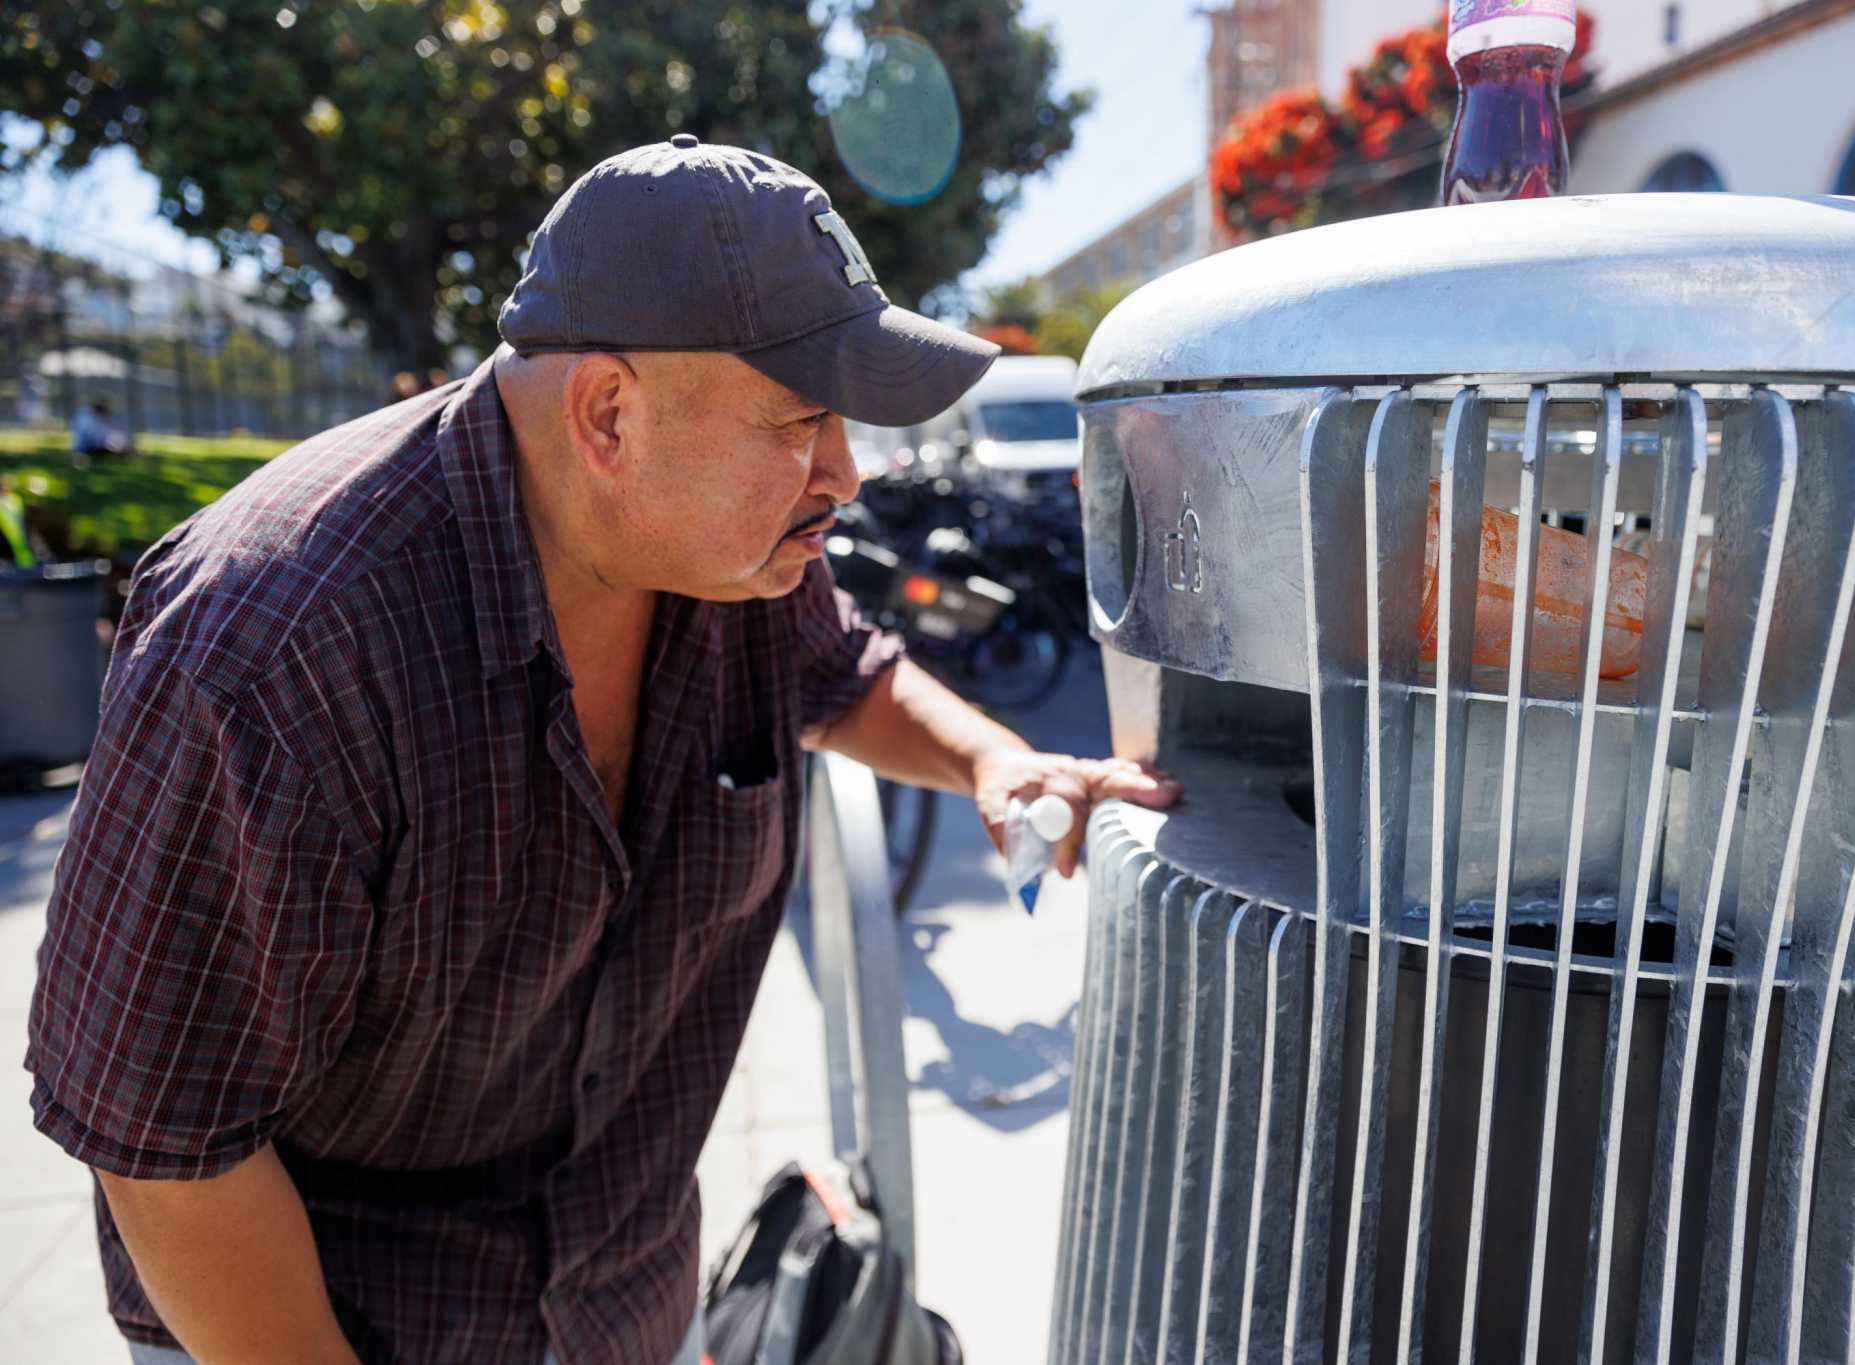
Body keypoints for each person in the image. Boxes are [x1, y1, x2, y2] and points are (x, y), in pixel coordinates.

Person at [25, 134, 1180, 1365]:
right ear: (607, 414)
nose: (842, 472)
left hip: (626, 1300)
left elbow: (842, 675)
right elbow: (162, 1145)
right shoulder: (271, 645)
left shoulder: (726, 556)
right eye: (800, 417)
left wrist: (993, 765)